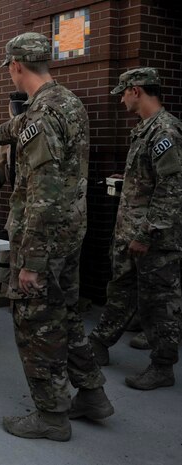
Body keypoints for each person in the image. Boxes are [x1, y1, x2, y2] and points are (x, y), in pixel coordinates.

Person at [0, 32, 113, 441]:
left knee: (36, 323)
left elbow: (43, 191)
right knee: (64, 314)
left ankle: (51, 416)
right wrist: (1, 132)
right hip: (69, 234)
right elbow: (22, 130)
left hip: (42, 240)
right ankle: (92, 395)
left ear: (16, 66)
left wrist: (31, 262)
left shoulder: (40, 117)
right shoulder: (68, 103)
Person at [88, 67, 182, 390]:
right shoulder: (145, 129)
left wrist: (146, 233)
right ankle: (100, 342)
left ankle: (162, 366)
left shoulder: (165, 132)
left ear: (137, 90)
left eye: (124, 92)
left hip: (153, 239)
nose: (122, 99)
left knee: (159, 302)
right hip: (132, 234)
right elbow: (148, 181)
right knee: (122, 290)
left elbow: (171, 188)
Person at [0, 91, 27, 306]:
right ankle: (7, 285)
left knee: (11, 243)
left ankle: (9, 287)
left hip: (26, 201)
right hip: (26, 200)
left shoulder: (14, 135)